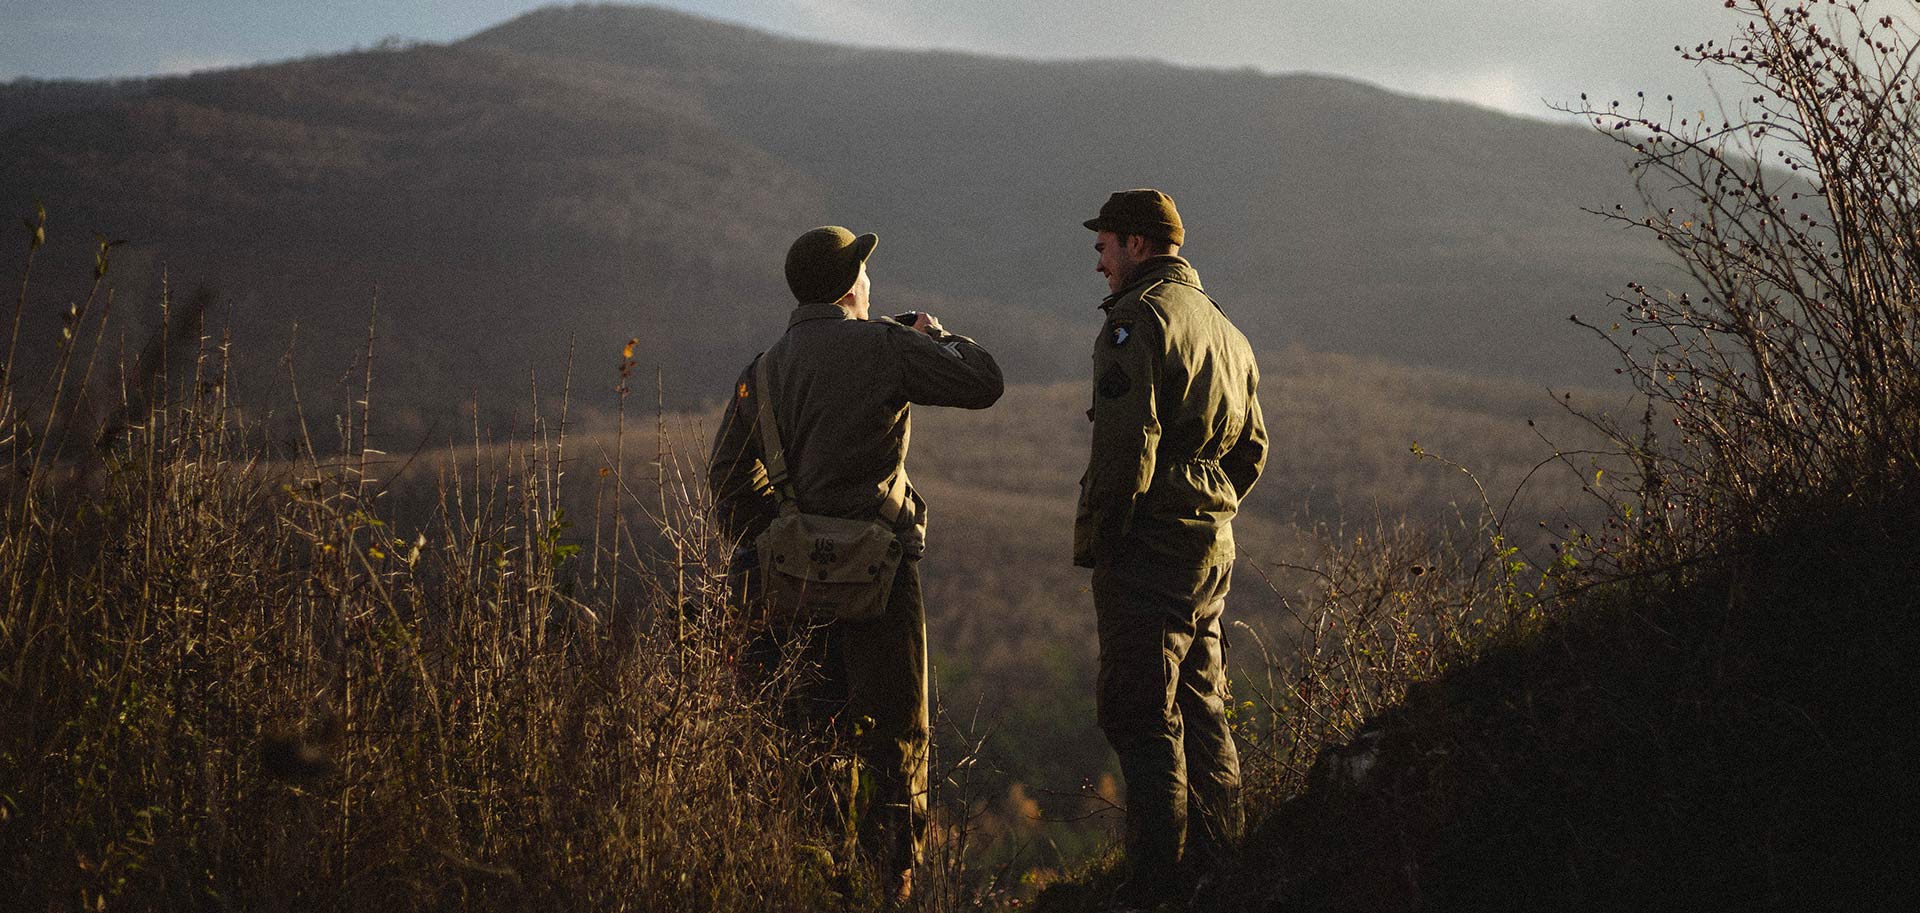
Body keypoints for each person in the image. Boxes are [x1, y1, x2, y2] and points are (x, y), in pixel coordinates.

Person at [707, 225, 1003, 902]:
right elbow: (984, 382)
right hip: (879, 580)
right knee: (894, 735)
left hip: (789, 588)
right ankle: (888, 883)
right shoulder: (885, 346)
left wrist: (782, 536)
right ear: (851, 286)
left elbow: (727, 477)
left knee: (807, 738)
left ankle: (814, 882)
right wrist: (935, 334)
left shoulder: (763, 369)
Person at [1075, 189, 1267, 909]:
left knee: (1142, 714)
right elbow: (1253, 448)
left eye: (1104, 246)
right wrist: (1210, 510)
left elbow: (1126, 446)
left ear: (1138, 244)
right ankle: (1225, 868)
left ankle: (1155, 886)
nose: (1098, 261)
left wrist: (1112, 535)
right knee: (1204, 705)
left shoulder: (1137, 322)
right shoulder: (1227, 330)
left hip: (1150, 549)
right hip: (1208, 546)